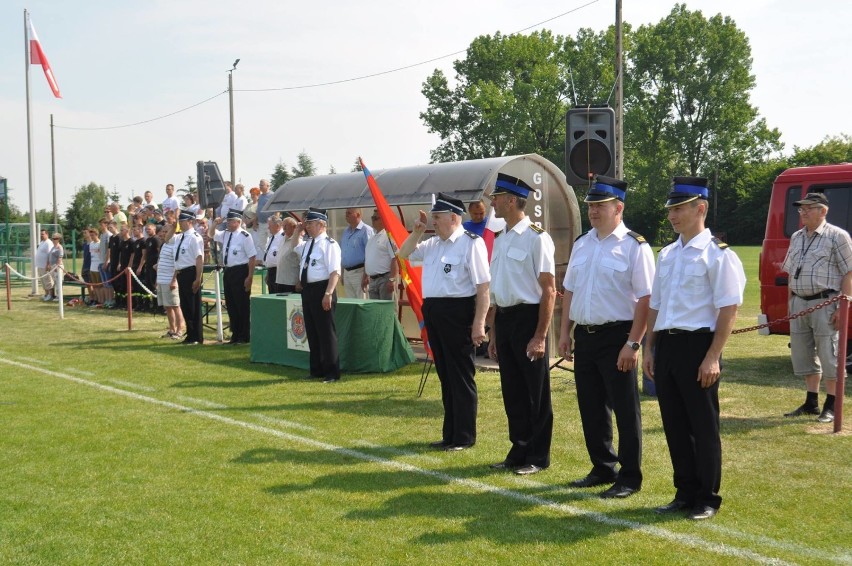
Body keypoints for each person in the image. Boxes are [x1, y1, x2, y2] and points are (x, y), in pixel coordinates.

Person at [642, 177, 746, 521]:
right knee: (674, 423)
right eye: (670, 210)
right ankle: (684, 491)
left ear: (700, 208)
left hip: (698, 344)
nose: (672, 216)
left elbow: (728, 308)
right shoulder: (668, 254)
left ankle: (707, 497)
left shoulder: (718, 255)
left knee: (702, 425)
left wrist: (713, 355)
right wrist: (649, 348)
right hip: (668, 343)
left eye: (679, 209)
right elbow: (655, 304)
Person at [557, 175, 654, 496]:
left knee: (625, 409)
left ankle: (629, 477)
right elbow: (569, 289)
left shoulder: (634, 247)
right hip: (585, 336)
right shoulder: (583, 243)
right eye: (590, 206)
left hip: (618, 337)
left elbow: (646, 298)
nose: (593, 211)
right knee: (591, 406)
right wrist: (564, 332)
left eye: (600, 205)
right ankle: (602, 467)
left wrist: (634, 342)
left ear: (619, 208)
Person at [398, 193, 490, 451]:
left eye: (437, 217)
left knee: (461, 375)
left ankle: (464, 436)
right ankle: (449, 433)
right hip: (435, 311)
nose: (433, 222)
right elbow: (403, 254)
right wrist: (416, 231)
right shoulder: (432, 244)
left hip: (458, 312)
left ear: (453, 217)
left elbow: (483, 287)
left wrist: (478, 323)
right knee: (446, 375)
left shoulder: (471, 243)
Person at [484, 174, 555, 475]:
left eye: (497, 198)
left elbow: (549, 289)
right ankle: (519, 447)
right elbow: (498, 288)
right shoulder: (501, 239)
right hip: (506, 318)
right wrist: (493, 332)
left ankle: (538, 456)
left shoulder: (537, 237)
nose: (493, 202)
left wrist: (540, 336)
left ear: (511, 201)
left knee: (535, 390)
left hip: (528, 317)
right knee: (512, 389)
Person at [781, 192, 852, 424]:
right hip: (799, 303)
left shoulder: (837, 236)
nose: (803, 212)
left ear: (823, 211)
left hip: (826, 302)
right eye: (801, 209)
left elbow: (849, 271)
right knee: (803, 354)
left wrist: (844, 305)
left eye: (808, 208)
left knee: (829, 355)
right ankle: (811, 402)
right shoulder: (797, 237)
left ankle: (831, 405)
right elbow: (791, 272)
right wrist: (790, 303)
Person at [294, 208, 342, 383]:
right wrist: (298, 231)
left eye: (310, 223)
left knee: (326, 333)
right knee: (312, 332)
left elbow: (335, 272)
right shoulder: (308, 243)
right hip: (308, 291)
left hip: (323, 289)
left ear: (321, 224)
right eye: (307, 223)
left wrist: (328, 293)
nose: (307, 226)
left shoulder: (329, 244)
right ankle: (316, 369)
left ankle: (332, 372)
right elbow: (294, 246)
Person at [210, 209, 257, 344]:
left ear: (238, 222)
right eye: (228, 221)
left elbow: (252, 257)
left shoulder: (245, 236)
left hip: (240, 270)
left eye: (231, 221)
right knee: (231, 304)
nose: (228, 223)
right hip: (228, 271)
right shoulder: (225, 234)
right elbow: (211, 234)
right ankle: (235, 333)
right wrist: (214, 224)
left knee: (241, 304)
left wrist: (250, 276)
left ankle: (244, 335)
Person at [173, 210, 205, 345]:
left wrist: (198, 278)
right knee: (185, 305)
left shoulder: (195, 237)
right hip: (181, 273)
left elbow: (199, 259)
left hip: (191, 272)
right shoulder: (180, 237)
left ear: (190, 222)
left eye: (182, 221)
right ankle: (190, 335)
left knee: (193, 306)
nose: (180, 223)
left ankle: (196, 336)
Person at [155, 223, 185, 339]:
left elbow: (177, 265)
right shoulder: (165, 245)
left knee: (175, 305)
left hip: (170, 280)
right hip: (162, 279)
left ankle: (179, 330)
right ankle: (171, 329)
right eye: (162, 231)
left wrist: (173, 280)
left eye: (165, 231)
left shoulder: (175, 245)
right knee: (167, 306)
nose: (162, 233)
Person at [362, 210, 399, 300]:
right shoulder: (372, 238)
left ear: (383, 220)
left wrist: (392, 279)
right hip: (372, 281)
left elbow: (395, 258)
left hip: (385, 279)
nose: (373, 220)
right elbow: (367, 259)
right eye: (372, 218)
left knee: (387, 310)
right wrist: (365, 276)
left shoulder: (389, 236)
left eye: (376, 218)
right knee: (375, 312)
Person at [340, 208, 375, 299]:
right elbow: (343, 253)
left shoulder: (366, 230)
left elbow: (370, 254)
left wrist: (366, 275)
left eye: (349, 213)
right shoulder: (345, 232)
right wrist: (342, 273)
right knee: (351, 304)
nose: (346, 215)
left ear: (358, 215)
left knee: (362, 303)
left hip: (360, 272)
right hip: (347, 273)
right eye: (346, 213)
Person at [275, 217, 303, 293]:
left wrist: (300, 281)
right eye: (283, 225)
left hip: (291, 283)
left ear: (293, 227)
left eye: (286, 226)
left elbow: (302, 262)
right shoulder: (282, 239)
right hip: (280, 281)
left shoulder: (298, 242)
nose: (283, 228)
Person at [261, 215, 285, 293]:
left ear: (277, 226)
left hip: (280, 272)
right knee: (272, 295)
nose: (268, 228)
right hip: (271, 272)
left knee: (278, 294)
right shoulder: (271, 238)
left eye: (270, 226)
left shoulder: (283, 237)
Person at [44, 233, 64, 301]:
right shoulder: (53, 247)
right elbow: (49, 256)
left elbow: (60, 258)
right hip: (52, 266)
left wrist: (57, 267)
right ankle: (56, 295)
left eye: (55, 239)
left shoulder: (59, 247)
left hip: (57, 267)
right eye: (52, 238)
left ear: (58, 239)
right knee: (55, 281)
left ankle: (59, 296)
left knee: (59, 282)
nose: (53, 240)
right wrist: (48, 265)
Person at [256, 179, 274, 252]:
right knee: (261, 243)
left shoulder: (272, 195)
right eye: (259, 185)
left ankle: (271, 260)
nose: (260, 187)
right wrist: (255, 222)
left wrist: (274, 221)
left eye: (262, 185)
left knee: (271, 241)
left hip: (270, 223)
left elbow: (277, 209)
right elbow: (258, 209)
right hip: (261, 223)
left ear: (268, 186)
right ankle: (265, 260)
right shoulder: (260, 196)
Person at [35, 229, 53, 299]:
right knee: (43, 281)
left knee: (48, 280)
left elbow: (49, 254)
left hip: (45, 265)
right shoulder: (42, 242)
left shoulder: (48, 243)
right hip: (40, 265)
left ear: (47, 234)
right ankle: (46, 294)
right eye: (41, 234)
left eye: (43, 234)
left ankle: (51, 295)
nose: (41, 236)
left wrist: (48, 264)